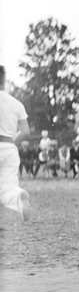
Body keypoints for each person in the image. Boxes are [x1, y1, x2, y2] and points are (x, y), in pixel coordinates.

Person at [0, 65, 32, 222]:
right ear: (4, 81)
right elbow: (26, 131)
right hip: (9, 149)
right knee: (7, 190)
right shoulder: (16, 103)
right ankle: (18, 198)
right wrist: (11, 142)